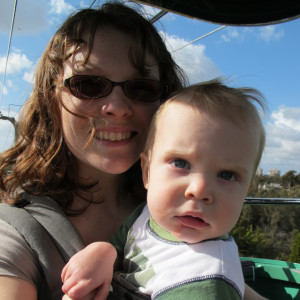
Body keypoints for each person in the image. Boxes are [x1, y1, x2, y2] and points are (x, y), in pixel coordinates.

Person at [0, 3, 186, 299]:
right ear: (52, 98)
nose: (116, 107)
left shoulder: (180, 211)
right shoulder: (15, 229)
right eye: (88, 84)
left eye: (141, 87)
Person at [61, 79, 267, 300]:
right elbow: (121, 242)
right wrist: (104, 252)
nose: (199, 190)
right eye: (180, 163)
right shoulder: (148, 216)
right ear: (147, 172)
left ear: (246, 191)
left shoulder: (206, 283)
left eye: (227, 175)